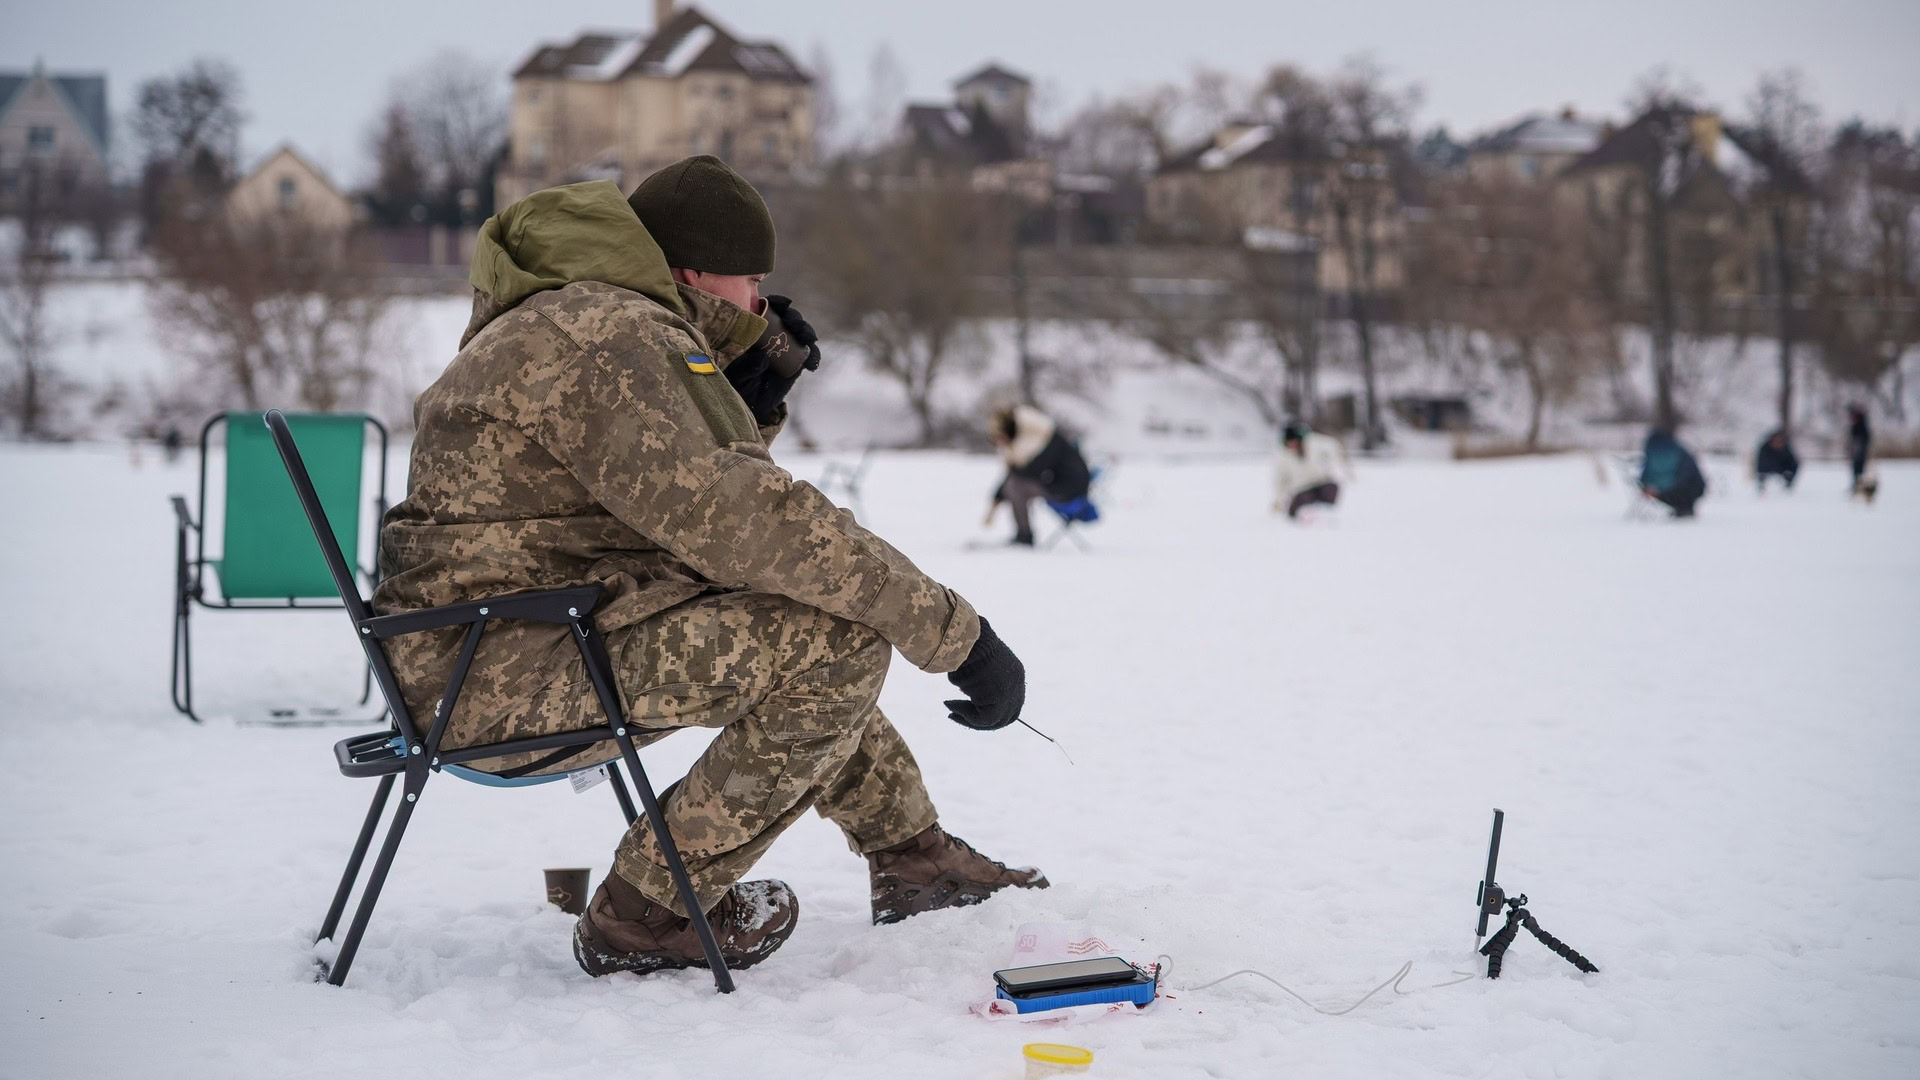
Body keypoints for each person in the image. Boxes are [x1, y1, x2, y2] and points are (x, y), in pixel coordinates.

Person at [375, 157, 1045, 981]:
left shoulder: (578, 317)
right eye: (750, 279)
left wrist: (746, 406)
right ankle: (649, 910)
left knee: (800, 619)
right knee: (832, 646)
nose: (759, 302)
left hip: (496, 646)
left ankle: (914, 858)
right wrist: (959, 637)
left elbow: (672, 514)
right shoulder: (610, 335)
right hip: (498, 676)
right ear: (692, 270)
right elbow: (746, 520)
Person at [985, 403, 1094, 546]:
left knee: (1015, 487)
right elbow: (1019, 472)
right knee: (1015, 484)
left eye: (1001, 437)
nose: (1000, 443)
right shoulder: (1040, 437)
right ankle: (1024, 533)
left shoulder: (1043, 441)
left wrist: (1010, 459)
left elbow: (1027, 472)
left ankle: (1024, 535)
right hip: (1061, 487)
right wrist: (996, 499)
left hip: (1068, 492)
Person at [1271, 422, 1346, 520]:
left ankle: (1324, 513)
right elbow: (1280, 480)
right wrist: (1279, 500)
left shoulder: (1314, 443)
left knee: (1331, 488)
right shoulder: (1283, 456)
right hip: (1301, 490)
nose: (1293, 445)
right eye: (1289, 443)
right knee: (1303, 498)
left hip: (1321, 483)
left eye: (1295, 441)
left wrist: (1338, 463)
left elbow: (1333, 446)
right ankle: (1302, 514)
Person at [1639, 428, 1707, 517]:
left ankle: (1684, 508)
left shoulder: (1676, 454)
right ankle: (1682, 508)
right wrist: (1647, 485)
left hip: (1688, 487)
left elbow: (1683, 476)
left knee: (1679, 490)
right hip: (1689, 486)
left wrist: (1653, 487)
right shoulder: (1677, 451)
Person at [1847, 404, 1873, 495]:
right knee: (1856, 469)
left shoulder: (1861, 423)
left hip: (1860, 450)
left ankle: (1860, 487)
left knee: (1859, 469)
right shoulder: (1859, 422)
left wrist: (1859, 449)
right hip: (1857, 450)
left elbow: (1864, 438)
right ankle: (1857, 486)